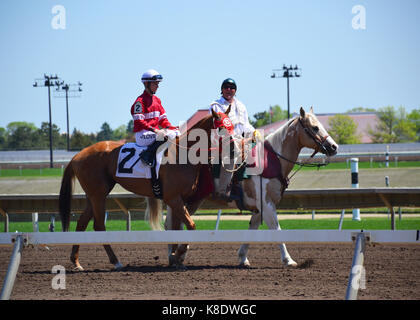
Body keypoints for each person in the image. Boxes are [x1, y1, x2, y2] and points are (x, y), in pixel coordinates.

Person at [209, 78, 261, 204]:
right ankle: (223, 191)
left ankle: (246, 185)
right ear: (221, 90)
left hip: (240, 138)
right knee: (232, 153)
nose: (229, 90)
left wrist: (254, 132)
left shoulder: (241, 105)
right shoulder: (216, 105)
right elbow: (220, 127)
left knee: (260, 147)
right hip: (223, 138)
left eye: (232, 88)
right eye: (226, 87)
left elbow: (246, 125)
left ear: (235, 91)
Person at [131, 69, 179, 167]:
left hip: (154, 133)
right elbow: (139, 121)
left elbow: (163, 120)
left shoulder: (157, 100)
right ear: (147, 84)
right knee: (168, 135)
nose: (157, 86)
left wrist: (172, 127)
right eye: (155, 84)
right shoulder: (139, 101)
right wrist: (156, 131)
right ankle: (146, 156)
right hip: (142, 135)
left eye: (158, 83)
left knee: (177, 133)